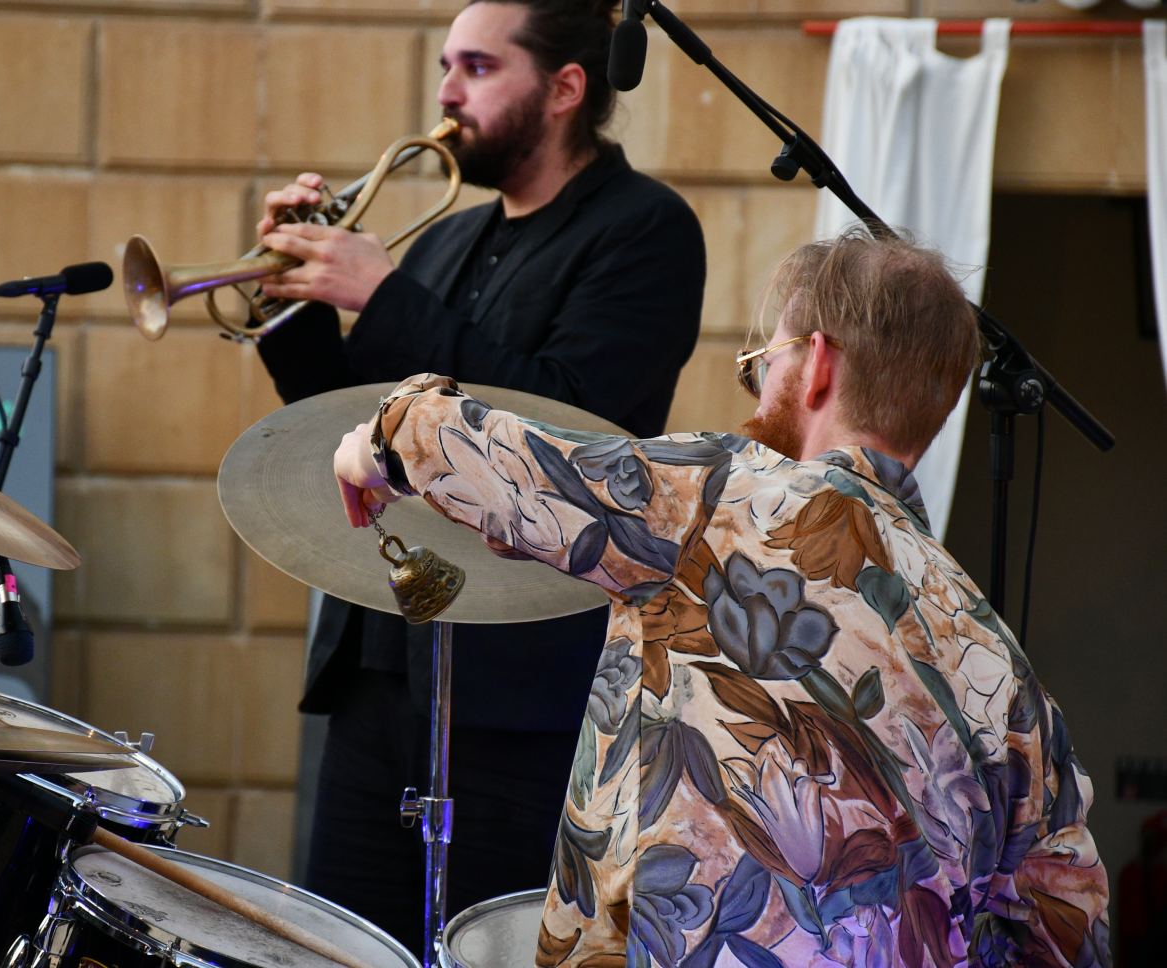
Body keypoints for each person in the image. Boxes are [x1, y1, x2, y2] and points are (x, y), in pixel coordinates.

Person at [333, 227, 1111, 967]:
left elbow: (484, 453)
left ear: (817, 366)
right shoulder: (997, 655)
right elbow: (1067, 920)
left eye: (762, 362)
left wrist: (375, 439)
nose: (756, 384)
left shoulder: (723, 496)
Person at [252, 0, 706, 953]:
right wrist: (288, 300)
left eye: (476, 66)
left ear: (565, 88)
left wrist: (381, 292)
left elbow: (567, 421)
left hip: (521, 688)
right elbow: (360, 424)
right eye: (446, 66)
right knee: (339, 944)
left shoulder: (644, 231)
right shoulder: (450, 239)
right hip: (379, 667)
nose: (447, 92)